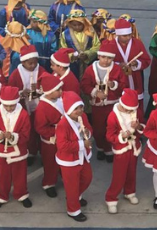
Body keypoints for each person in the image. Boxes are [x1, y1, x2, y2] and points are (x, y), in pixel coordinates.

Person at [81, 41, 127, 163]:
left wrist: (114, 85)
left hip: (112, 104)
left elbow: (124, 85)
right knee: (99, 129)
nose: (106, 60)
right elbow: (85, 85)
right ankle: (100, 148)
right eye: (103, 57)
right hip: (97, 106)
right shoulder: (91, 69)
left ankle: (109, 149)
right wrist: (95, 93)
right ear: (99, 56)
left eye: (109, 58)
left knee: (111, 127)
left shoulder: (117, 69)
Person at [0, 86, 32, 210]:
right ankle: (1, 196)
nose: (9, 108)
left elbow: (26, 133)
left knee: (20, 175)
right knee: (3, 175)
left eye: (12, 105)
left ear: (16, 102)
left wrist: (12, 137)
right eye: (6, 106)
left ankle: (22, 194)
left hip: (19, 152)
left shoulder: (23, 114)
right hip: (2, 151)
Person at [55, 91, 93, 222]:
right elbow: (62, 145)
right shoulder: (63, 125)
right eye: (76, 108)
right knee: (71, 186)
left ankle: (75, 197)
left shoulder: (83, 117)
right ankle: (73, 210)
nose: (80, 110)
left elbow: (89, 129)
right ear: (69, 110)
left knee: (87, 178)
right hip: (69, 161)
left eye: (81, 107)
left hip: (82, 157)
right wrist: (82, 144)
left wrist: (88, 132)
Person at [105, 89, 144, 214]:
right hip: (121, 150)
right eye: (127, 109)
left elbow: (143, 127)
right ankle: (111, 198)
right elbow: (109, 136)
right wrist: (121, 137)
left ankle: (130, 192)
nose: (129, 111)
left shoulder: (136, 112)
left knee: (132, 172)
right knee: (119, 176)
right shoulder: (113, 116)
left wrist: (138, 127)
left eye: (131, 110)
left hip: (134, 148)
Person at [7, 44, 47, 164]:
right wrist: (21, 93)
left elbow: (48, 85)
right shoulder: (16, 74)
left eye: (35, 62)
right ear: (23, 62)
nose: (33, 65)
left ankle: (44, 152)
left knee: (41, 129)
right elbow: (11, 91)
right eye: (30, 63)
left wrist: (40, 89)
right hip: (24, 107)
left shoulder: (41, 70)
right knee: (29, 130)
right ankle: (31, 152)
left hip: (40, 106)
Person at [109, 19, 151, 119]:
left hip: (135, 79)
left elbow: (146, 60)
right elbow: (105, 62)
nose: (128, 37)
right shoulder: (111, 45)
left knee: (136, 102)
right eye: (125, 36)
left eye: (129, 35)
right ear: (118, 35)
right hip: (118, 80)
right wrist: (118, 65)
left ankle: (138, 122)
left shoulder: (137, 43)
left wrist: (137, 63)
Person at [34, 75, 64, 198]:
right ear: (49, 92)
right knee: (50, 163)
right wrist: (56, 130)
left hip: (63, 138)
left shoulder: (60, 99)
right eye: (58, 90)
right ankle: (49, 183)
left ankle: (66, 177)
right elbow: (40, 128)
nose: (61, 91)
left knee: (64, 160)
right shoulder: (42, 107)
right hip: (50, 141)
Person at [59, 10, 100, 80]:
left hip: (89, 64)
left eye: (80, 25)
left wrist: (87, 54)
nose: (77, 27)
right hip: (72, 65)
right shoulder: (65, 34)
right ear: (70, 24)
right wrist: (72, 56)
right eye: (74, 25)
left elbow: (97, 46)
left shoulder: (91, 32)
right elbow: (62, 50)